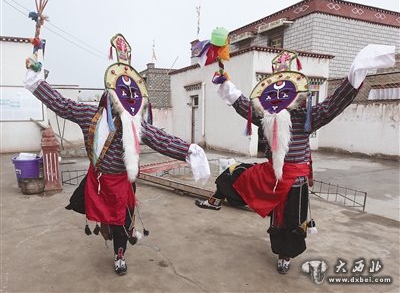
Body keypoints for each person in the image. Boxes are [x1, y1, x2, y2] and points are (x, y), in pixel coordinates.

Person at [195, 44, 395, 274]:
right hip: (271, 174)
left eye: (284, 92)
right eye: (273, 93)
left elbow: (336, 103)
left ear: (295, 95)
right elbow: (243, 105)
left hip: (296, 182)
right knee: (235, 173)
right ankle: (216, 199)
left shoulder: (307, 117)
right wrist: (225, 85)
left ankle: (285, 255)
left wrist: (357, 72)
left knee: (288, 222)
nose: (278, 97)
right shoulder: (265, 117)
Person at [24, 33, 210, 276]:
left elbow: (161, 138)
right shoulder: (89, 115)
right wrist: (37, 81)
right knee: (95, 214)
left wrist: (189, 150)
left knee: (122, 222)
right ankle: (108, 233)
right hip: (98, 180)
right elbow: (60, 104)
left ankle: (119, 254)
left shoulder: (136, 125)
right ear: (109, 96)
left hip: (122, 183)